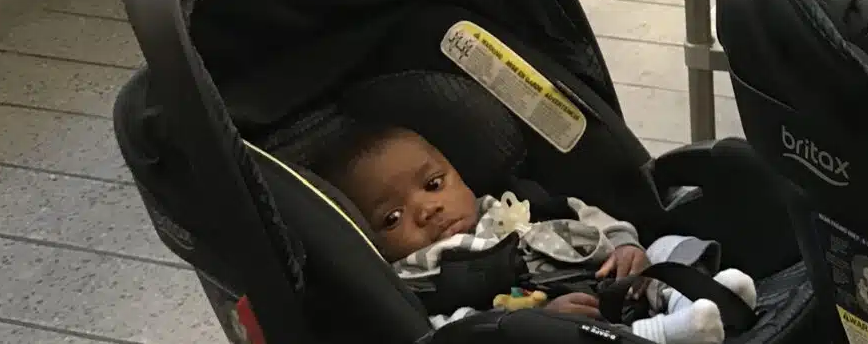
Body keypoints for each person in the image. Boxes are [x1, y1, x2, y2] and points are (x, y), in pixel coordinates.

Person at [319, 125, 755, 342]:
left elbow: (585, 216)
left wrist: (626, 245)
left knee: (663, 248)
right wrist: (538, 323)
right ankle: (672, 331)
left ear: (460, 175)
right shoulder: (418, 279)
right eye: (392, 218)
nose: (427, 209)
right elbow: (457, 330)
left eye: (434, 185)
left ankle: (700, 298)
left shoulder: (511, 205)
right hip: (555, 327)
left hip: (619, 279)